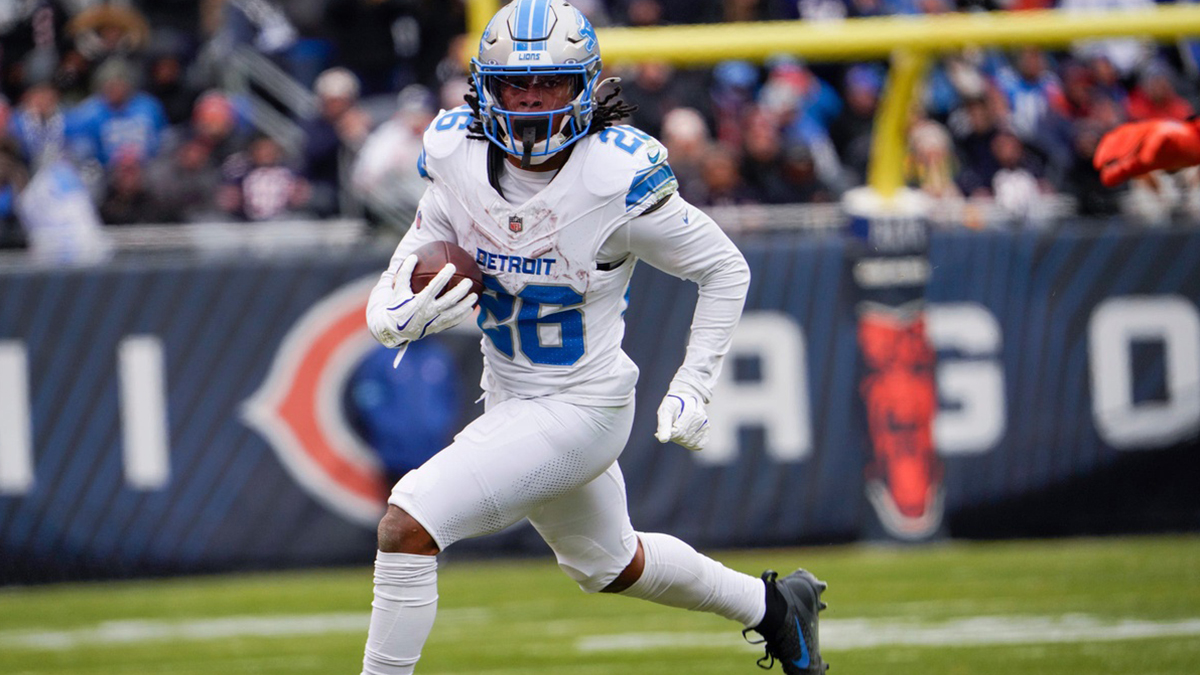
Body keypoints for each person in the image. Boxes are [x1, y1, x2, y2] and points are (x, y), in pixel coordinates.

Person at [359, 2, 827, 674]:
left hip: (583, 406)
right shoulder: (455, 156)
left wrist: (694, 382)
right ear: (481, 89)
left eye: (547, 84)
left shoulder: (613, 177)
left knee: (408, 522)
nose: (527, 101)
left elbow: (724, 267)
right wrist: (390, 315)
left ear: (585, 87)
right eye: (513, 86)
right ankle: (777, 606)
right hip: (511, 395)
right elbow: (403, 264)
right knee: (609, 562)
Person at [1093, 116, 1200, 187]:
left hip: (1170, 165)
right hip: (1166, 165)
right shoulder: (1186, 133)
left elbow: (1163, 132)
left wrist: (1145, 158)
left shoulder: (1187, 134)